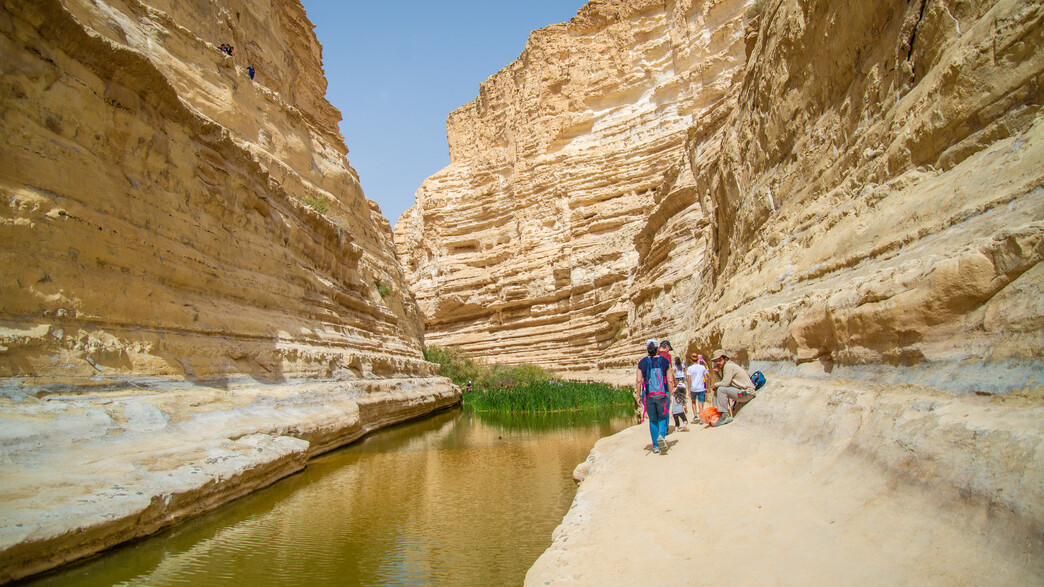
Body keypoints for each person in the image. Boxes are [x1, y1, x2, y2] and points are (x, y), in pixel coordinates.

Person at [636, 339, 675, 453]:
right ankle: (662, 436)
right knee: (663, 417)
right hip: (663, 394)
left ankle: (656, 447)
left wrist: (638, 395)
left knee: (653, 420)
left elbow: (639, 381)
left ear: (647, 349)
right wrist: (670, 395)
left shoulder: (642, 363)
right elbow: (670, 380)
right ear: (658, 348)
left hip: (648, 395)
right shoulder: (664, 361)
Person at [709, 349, 756, 427]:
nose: (718, 363)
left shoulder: (728, 366)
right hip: (742, 392)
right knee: (719, 388)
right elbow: (723, 382)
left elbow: (724, 384)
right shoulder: (726, 366)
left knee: (720, 389)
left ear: (726, 359)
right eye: (716, 361)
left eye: (719, 360)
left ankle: (725, 416)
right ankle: (718, 414)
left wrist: (715, 385)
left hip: (747, 393)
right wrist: (716, 373)